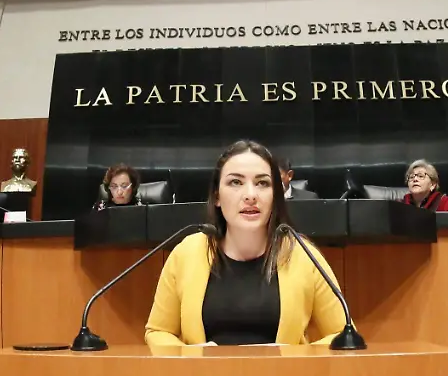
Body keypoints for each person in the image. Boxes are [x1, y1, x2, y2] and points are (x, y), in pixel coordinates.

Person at [144, 140, 347, 347]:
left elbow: (343, 335)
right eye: (236, 183)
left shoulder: (302, 254)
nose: (250, 195)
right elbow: (158, 332)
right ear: (217, 196)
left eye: (262, 183)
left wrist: (290, 356)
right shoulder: (187, 252)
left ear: (275, 195)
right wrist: (193, 356)